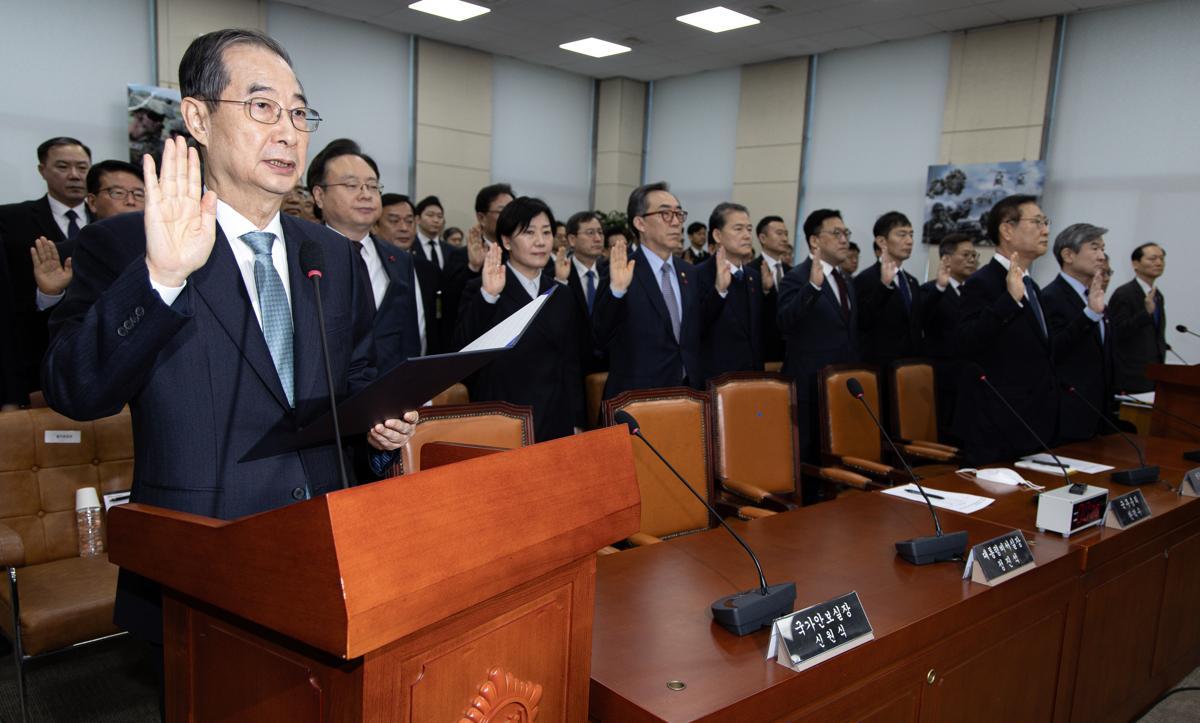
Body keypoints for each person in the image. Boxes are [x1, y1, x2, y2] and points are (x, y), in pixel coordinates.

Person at [41, 29, 418, 649]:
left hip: (325, 545)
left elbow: (352, 381)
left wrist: (380, 424)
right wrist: (161, 276)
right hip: (200, 560)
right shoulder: (127, 245)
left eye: (299, 113)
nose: (288, 130)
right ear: (197, 116)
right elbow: (74, 389)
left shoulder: (332, 254)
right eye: (262, 107)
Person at [455, 197, 583, 440]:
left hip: (553, 417)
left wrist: (576, 419)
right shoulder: (482, 288)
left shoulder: (562, 293)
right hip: (502, 416)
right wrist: (488, 296)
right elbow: (462, 350)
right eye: (529, 233)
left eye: (546, 233)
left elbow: (571, 363)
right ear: (506, 241)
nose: (540, 242)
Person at [952, 194, 1056, 465]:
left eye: (1046, 222)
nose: (1045, 230)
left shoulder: (1031, 285)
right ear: (1007, 229)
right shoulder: (982, 283)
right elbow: (966, 342)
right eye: (1037, 222)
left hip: (1031, 422)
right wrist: (1008, 301)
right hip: (995, 426)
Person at [593, 182, 722, 399]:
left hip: (686, 394)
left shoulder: (688, 272)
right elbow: (599, 338)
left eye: (679, 214)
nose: (676, 223)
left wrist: (720, 291)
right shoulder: (621, 270)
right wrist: (616, 291)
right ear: (640, 223)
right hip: (636, 399)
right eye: (665, 214)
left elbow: (695, 331)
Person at [308, 138, 421, 367]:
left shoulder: (400, 260)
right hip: (326, 397)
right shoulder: (304, 255)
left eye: (372, 186)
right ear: (319, 196)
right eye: (351, 186)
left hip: (388, 395)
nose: (366, 194)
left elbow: (408, 340)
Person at [0, 137, 95, 402]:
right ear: (42, 170)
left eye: (82, 167)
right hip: (37, 358)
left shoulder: (107, 221)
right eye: (63, 167)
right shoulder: (11, 221)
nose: (75, 175)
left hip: (99, 355)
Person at [777, 209, 858, 483]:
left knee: (836, 461)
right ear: (814, 241)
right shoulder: (796, 278)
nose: (844, 239)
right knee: (809, 465)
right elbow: (785, 322)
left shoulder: (846, 280)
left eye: (846, 233)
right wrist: (812, 287)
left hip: (839, 386)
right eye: (836, 233)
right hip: (809, 388)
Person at [32, 160, 148, 313]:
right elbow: (62, 327)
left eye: (139, 194)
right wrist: (50, 294)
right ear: (92, 202)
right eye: (118, 193)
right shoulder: (64, 254)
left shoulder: (164, 250)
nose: (131, 201)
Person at [1041, 223, 1113, 443]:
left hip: (1096, 412)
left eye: (1103, 249)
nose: (1102, 256)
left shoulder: (1092, 296)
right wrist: (1089, 315)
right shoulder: (1050, 297)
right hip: (1064, 412)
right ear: (1068, 255)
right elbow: (1053, 350)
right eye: (1094, 248)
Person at [695, 202, 772, 383]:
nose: (746, 235)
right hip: (716, 381)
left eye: (749, 229)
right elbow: (695, 328)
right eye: (738, 229)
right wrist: (719, 291)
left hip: (752, 379)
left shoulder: (753, 276)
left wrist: (768, 293)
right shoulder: (698, 275)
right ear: (717, 235)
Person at [854, 212, 930, 374]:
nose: (909, 241)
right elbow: (862, 322)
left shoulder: (912, 281)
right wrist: (884, 286)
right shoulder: (865, 279)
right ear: (882, 241)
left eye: (911, 235)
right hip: (879, 370)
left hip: (910, 369)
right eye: (902, 235)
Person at [920, 233, 976, 443]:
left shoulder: (973, 293)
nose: (972, 259)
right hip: (943, 378)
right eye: (966, 254)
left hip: (968, 376)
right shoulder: (930, 289)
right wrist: (940, 288)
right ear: (946, 258)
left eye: (974, 255)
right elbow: (922, 318)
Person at [1109, 242, 1167, 394]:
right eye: (1153, 258)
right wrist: (1145, 314)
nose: (1159, 263)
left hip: (1153, 376)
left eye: (1162, 258)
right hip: (1130, 378)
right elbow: (1117, 332)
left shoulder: (1157, 296)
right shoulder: (1124, 294)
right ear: (1136, 264)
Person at [565, 210, 609, 375]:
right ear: (572, 239)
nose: (598, 238)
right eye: (590, 233)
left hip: (607, 367)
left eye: (600, 232)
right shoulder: (558, 275)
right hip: (570, 367)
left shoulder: (612, 275)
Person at [754, 215, 792, 365]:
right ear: (763, 238)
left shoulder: (793, 272)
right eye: (779, 233)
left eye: (786, 234)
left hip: (788, 352)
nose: (784, 238)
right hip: (762, 350)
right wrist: (764, 291)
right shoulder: (751, 271)